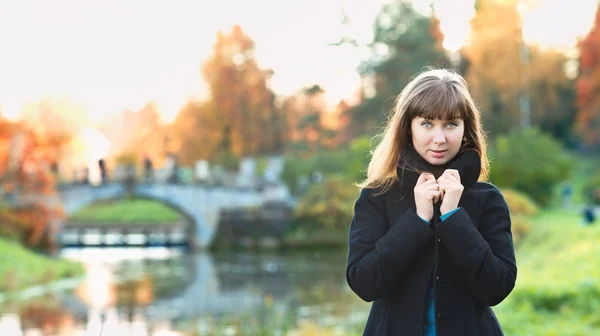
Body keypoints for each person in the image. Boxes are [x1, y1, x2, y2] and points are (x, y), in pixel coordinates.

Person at [346, 68, 517, 335]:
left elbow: (497, 288)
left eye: (451, 124)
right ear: (408, 128)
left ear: (465, 130)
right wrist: (417, 221)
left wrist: (453, 218)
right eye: (427, 123)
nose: (439, 139)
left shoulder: (489, 199)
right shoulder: (376, 196)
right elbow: (364, 283)